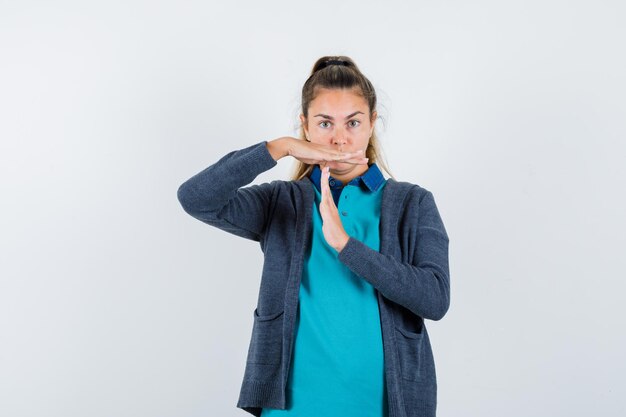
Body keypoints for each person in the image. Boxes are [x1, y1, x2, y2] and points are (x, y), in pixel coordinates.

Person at [177, 56, 450, 417]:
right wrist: (276, 148)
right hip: (292, 406)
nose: (339, 138)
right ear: (304, 126)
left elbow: (435, 299)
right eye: (325, 123)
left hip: (383, 405)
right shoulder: (281, 201)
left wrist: (347, 247)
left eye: (353, 122)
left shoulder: (413, 203)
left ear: (372, 124)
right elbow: (196, 198)